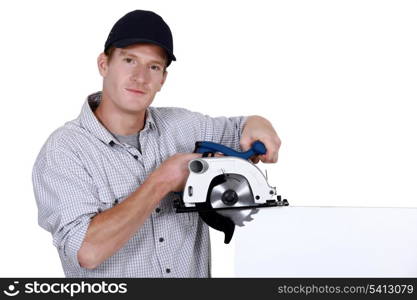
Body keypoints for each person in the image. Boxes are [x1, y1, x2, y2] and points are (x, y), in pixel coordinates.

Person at [32, 9, 281, 278]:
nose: (141, 77)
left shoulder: (183, 126)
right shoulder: (64, 151)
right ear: (104, 64)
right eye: (129, 60)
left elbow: (244, 127)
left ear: (163, 78)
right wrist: (163, 180)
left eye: (154, 67)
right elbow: (87, 250)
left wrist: (260, 126)